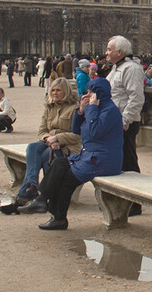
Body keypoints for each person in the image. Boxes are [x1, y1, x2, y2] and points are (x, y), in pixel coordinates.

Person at [36, 76, 123, 231]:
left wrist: (91, 109)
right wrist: (81, 111)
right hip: (91, 156)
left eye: (89, 93)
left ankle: (56, 216)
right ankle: (43, 199)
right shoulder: (96, 108)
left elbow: (95, 132)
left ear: (98, 94)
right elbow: (77, 130)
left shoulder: (109, 111)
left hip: (103, 160)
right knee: (59, 163)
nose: (86, 96)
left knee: (66, 180)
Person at [0, 77, 81, 215]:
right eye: (53, 90)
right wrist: (48, 138)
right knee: (32, 147)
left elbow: (78, 136)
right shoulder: (49, 107)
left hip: (66, 147)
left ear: (66, 92)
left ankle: (21, 200)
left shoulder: (75, 109)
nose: (54, 93)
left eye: (58, 90)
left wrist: (58, 139)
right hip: (49, 142)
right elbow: (41, 130)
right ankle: (31, 186)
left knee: (42, 156)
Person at [105, 36, 145, 215]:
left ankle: (135, 204)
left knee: (128, 162)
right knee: (119, 162)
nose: (106, 52)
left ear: (119, 52)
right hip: (116, 121)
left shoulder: (131, 68)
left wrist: (125, 120)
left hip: (125, 123)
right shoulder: (117, 67)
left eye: (109, 49)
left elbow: (136, 98)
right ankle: (123, 200)